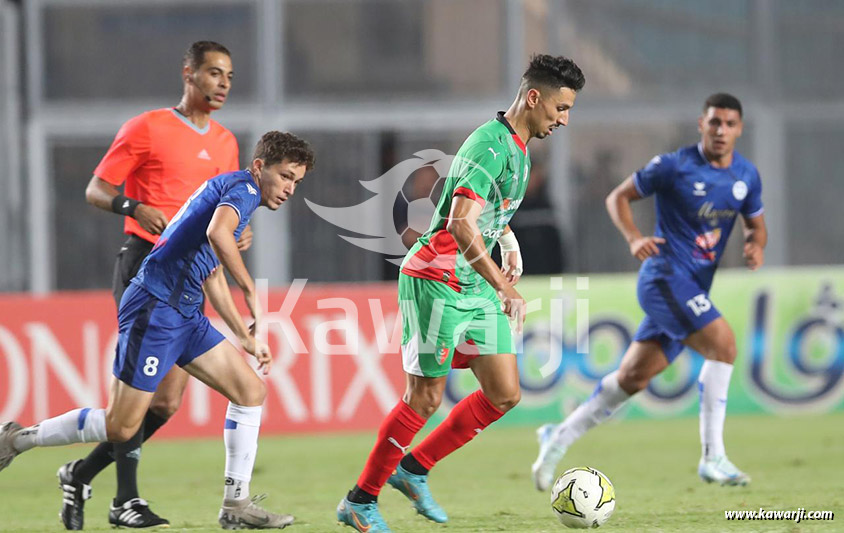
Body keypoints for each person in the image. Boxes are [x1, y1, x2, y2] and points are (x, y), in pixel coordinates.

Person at [0, 131, 315, 530]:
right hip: (156, 306)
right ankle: (15, 439)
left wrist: (245, 336)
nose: (289, 188)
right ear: (259, 167)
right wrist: (252, 290)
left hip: (185, 313)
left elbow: (212, 272)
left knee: (251, 391)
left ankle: (236, 505)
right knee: (120, 425)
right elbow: (218, 236)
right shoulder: (243, 188)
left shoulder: (234, 198)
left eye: (296, 182)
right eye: (285, 176)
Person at [337, 54, 586, 533]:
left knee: (503, 392)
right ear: (534, 97)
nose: (564, 119)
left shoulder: (517, 145)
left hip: (471, 283)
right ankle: (360, 501)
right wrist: (504, 285)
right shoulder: (491, 147)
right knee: (424, 398)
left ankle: (413, 469)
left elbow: (487, 212)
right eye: (561, 107)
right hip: (434, 280)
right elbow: (459, 225)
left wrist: (507, 242)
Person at [532, 93, 767, 490]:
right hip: (664, 277)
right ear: (701, 124)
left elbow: (756, 225)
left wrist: (755, 244)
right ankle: (714, 457)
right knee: (724, 345)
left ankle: (558, 436)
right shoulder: (674, 166)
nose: (721, 130)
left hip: (692, 286)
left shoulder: (746, 176)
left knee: (632, 378)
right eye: (714, 123)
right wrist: (634, 237)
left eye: (729, 124)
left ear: (739, 129)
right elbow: (617, 197)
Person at [70, 40, 248, 529]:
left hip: (192, 274)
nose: (223, 84)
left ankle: (80, 474)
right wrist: (131, 207)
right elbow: (96, 189)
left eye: (229, 76)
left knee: (167, 402)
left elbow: (218, 212)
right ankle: (125, 499)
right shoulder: (146, 128)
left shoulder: (228, 142)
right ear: (188, 74)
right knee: (139, 397)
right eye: (214, 73)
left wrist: (236, 230)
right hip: (144, 264)